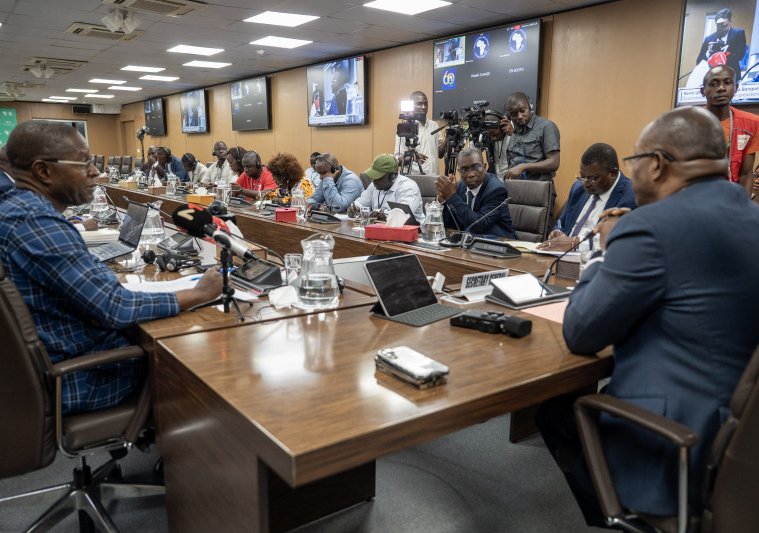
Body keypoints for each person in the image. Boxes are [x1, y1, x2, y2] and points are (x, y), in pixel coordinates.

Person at [536, 106, 759, 526]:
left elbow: (581, 332)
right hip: (739, 439)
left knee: (554, 408)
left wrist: (605, 251)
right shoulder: (751, 215)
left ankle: (625, 515)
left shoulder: (651, 227)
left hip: (676, 442)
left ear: (656, 164)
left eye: (634, 161)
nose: (632, 171)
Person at [0, 120, 222, 415]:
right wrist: (198, 293)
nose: (95, 172)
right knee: (195, 355)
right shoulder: (37, 222)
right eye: (84, 163)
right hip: (78, 375)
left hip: (40, 368)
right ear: (43, 171)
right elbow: (115, 307)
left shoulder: (13, 209)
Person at [538, 143, 636, 252]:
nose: (585, 183)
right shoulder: (578, 188)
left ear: (612, 174)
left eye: (592, 178)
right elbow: (561, 222)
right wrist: (557, 232)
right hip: (562, 256)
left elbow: (617, 242)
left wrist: (574, 243)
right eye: (582, 177)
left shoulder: (631, 195)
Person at [701, 65, 759, 194]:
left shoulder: (750, 123)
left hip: (730, 195)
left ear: (736, 87)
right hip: (695, 196)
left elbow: (745, 174)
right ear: (703, 90)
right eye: (714, 84)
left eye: (727, 83)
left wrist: (742, 204)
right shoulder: (688, 122)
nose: (721, 88)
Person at [436, 146, 516, 238]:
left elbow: (478, 226)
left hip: (500, 242)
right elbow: (453, 224)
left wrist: (452, 196)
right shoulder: (460, 186)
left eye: (476, 167)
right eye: (464, 169)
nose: (471, 174)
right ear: (459, 171)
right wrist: (443, 199)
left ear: (484, 167)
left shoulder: (496, 190)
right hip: (471, 242)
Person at [347, 153, 425, 224]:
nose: (374, 181)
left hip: (412, 232)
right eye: (373, 177)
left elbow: (402, 215)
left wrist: (383, 214)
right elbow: (361, 202)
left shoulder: (408, 187)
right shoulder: (375, 184)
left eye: (379, 177)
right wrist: (355, 208)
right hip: (381, 230)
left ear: (393, 176)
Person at [504, 92, 560, 181]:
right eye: (514, 114)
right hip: (515, 186)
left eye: (522, 111)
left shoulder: (546, 126)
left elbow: (554, 162)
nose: (519, 116)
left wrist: (523, 167)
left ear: (530, 107)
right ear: (509, 116)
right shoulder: (515, 131)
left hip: (538, 187)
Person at [394, 91, 444, 176]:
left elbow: (440, 154)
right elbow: (398, 160)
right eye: (419, 104)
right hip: (413, 178)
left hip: (433, 176)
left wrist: (447, 139)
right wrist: (412, 158)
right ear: (412, 105)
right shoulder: (405, 127)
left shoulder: (434, 125)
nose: (424, 107)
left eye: (426, 104)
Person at [696, 8, 746, 78]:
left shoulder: (738, 34)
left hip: (732, 76)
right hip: (713, 77)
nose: (722, 29)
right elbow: (699, 61)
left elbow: (740, 55)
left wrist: (725, 53)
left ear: (730, 21)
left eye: (725, 26)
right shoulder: (708, 39)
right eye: (719, 26)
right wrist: (708, 53)